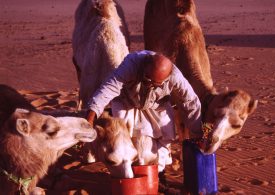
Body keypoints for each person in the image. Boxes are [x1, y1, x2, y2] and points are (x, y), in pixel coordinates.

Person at [86, 50, 202, 184]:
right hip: (126, 102)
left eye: (156, 83)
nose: (151, 84)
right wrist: (91, 114)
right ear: (144, 67)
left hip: (157, 105)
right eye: (148, 79)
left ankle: (159, 173)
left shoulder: (175, 75)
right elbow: (108, 89)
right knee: (126, 139)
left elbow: (191, 102)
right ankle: (130, 173)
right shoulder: (130, 65)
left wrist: (197, 134)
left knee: (165, 136)